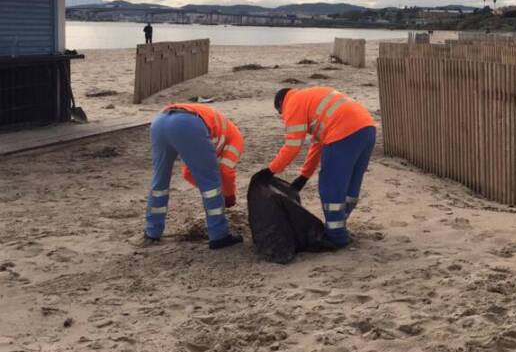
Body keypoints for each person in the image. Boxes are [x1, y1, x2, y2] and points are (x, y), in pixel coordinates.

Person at [254, 87, 376, 248]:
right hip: (367, 129)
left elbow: (292, 146)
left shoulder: (292, 104)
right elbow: (317, 144)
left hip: (342, 133)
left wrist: (270, 170)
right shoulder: (310, 99)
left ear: (281, 103)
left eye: (280, 113)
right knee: (350, 184)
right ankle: (339, 225)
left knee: (330, 186)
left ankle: (337, 236)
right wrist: (303, 177)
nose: (283, 117)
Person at [145, 103, 244, 249]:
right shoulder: (236, 139)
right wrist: (228, 195)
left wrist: (204, 187)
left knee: (159, 181)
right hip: (188, 124)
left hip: (160, 121)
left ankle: (152, 231)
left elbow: (187, 172)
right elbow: (226, 171)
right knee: (212, 184)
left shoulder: (218, 127)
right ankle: (219, 236)